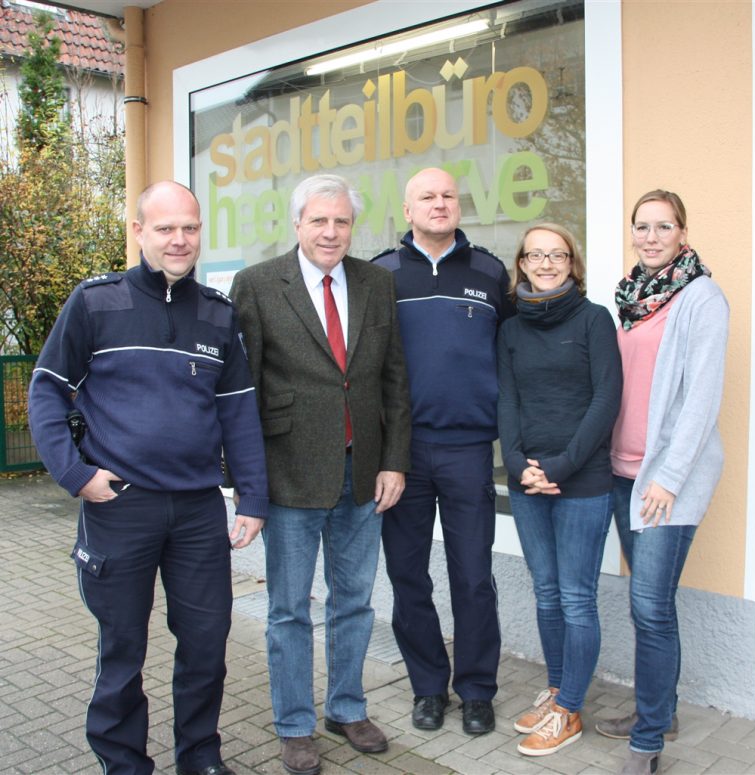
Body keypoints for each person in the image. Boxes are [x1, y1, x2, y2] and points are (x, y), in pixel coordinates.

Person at [27, 181, 269, 775]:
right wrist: (74, 474)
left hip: (196, 511)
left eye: (189, 227)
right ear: (138, 232)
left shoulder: (218, 313)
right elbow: (47, 390)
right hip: (119, 506)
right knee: (122, 650)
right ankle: (123, 762)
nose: (179, 240)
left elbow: (238, 410)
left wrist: (253, 498)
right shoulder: (94, 303)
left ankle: (201, 757)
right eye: (164, 229)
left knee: (207, 645)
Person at [229, 174, 411, 775]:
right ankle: (294, 724)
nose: (330, 232)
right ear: (298, 224)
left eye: (341, 222)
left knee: (354, 602)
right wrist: (246, 481)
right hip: (289, 475)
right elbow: (241, 389)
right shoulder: (257, 285)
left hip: (363, 474)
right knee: (287, 609)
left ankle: (347, 707)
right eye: (319, 221)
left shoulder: (376, 282)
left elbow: (393, 380)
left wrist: (393, 460)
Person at [372, 167, 515, 736]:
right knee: (408, 576)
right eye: (427, 197)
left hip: (468, 449)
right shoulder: (380, 274)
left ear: (461, 206)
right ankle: (428, 687)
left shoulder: (489, 271)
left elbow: (510, 354)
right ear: (407, 210)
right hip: (401, 455)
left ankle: (477, 690)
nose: (439, 204)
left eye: (448, 195)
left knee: (474, 577)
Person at [595, 190, 729, 775]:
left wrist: (670, 478)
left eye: (663, 226)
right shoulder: (628, 298)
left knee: (650, 606)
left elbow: (701, 396)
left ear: (682, 231)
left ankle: (648, 741)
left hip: (663, 480)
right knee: (648, 605)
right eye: (641, 226)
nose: (651, 237)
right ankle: (663, 709)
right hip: (622, 472)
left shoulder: (701, 298)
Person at [497, 224, 622, 756]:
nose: (546, 263)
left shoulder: (595, 321)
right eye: (536, 255)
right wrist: (517, 466)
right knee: (546, 592)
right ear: (521, 264)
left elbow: (606, 401)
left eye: (558, 255)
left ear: (574, 263)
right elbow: (507, 401)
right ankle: (556, 689)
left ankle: (570, 710)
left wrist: (561, 467)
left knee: (576, 597)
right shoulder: (510, 330)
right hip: (528, 481)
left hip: (582, 482)